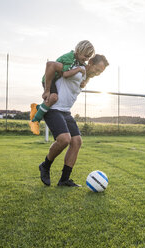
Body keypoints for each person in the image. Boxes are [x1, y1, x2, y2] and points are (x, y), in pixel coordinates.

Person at [38, 54, 109, 187]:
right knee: (65, 139)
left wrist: (86, 80)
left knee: (77, 141)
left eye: (100, 72)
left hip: (65, 112)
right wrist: (48, 90)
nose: (98, 74)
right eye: (97, 70)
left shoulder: (84, 77)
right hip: (53, 109)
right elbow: (51, 65)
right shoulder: (76, 68)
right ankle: (45, 166)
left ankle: (64, 180)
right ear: (91, 62)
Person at [29, 40, 95, 135]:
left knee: (53, 100)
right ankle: (34, 121)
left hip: (56, 80)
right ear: (79, 51)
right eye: (85, 56)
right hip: (50, 79)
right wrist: (47, 90)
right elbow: (65, 74)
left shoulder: (78, 61)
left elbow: (84, 72)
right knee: (53, 98)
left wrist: (84, 81)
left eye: (88, 57)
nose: (86, 59)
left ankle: (37, 108)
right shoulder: (70, 59)